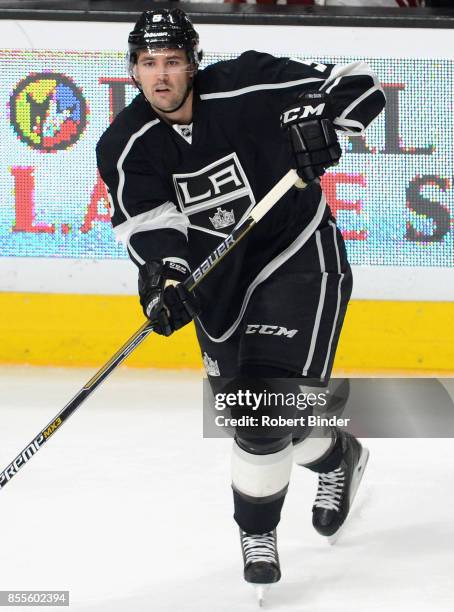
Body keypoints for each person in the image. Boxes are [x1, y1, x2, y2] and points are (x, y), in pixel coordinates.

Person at [96, 8, 385, 601]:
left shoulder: (250, 83)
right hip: (220, 288)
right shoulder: (124, 146)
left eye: (172, 61)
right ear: (133, 70)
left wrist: (328, 127)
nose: (161, 76)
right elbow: (149, 226)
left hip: (295, 258)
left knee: (262, 418)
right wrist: (166, 279)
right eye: (148, 63)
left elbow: (359, 83)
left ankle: (257, 535)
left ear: (192, 62)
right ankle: (337, 455)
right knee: (260, 421)